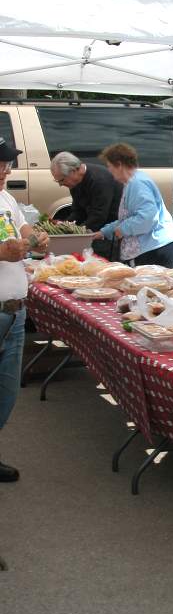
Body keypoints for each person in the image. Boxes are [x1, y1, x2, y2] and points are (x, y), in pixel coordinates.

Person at [0, 137, 48, 482]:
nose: (4, 170)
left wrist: (37, 238)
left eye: (7, 163)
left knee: (6, 394)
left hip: (14, 314)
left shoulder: (5, 198)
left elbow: (24, 228)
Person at [92, 143, 173, 268]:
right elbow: (128, 217)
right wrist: (105, 232)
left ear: (119, 164)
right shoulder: (132, 182)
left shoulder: (137, 183)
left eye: (109, 166)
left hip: (157, 246)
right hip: (157, 245)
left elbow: (147, 217)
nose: (109, 171)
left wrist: (123, 229)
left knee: (150, 286)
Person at [50, 151, 123, 260]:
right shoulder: (75, 183)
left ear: (74, 171)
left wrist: (78, 234)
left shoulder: (99, 180)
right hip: (96, 228)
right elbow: (78, 211)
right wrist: (65, 226)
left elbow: (99, 215)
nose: (61, 184)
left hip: (110, 232)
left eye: (61, 180)